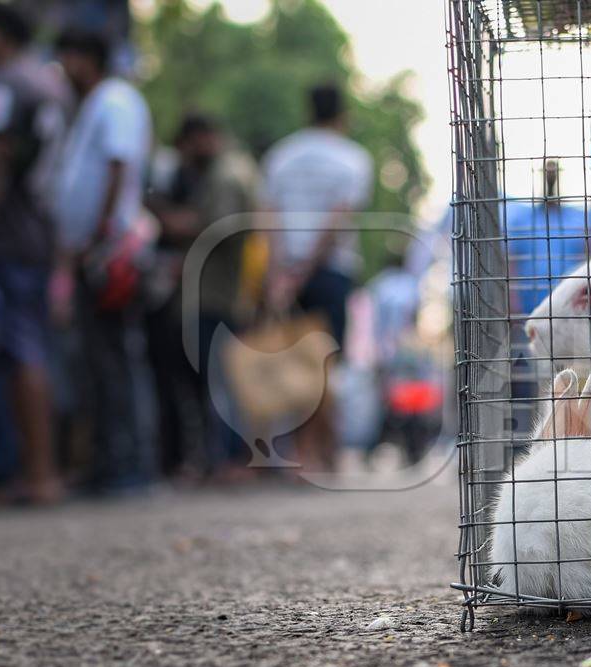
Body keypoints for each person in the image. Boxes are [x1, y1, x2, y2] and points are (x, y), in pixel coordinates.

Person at [51, 29, 156, 494]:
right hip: (95, 251)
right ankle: (108, 462)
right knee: (96, 361)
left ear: (84, 58)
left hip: (110, 251)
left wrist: (98, 235)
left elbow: (118, 164)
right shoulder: (94, 104)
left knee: (115, 359)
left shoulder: (114, 99)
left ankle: (129, 465)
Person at [261, 81, 373, 472]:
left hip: (287, 271)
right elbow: (338, 221)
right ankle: (318, 452)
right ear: (342, 114)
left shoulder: (281, 156)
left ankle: (311, 452)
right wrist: (306, 269)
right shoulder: (352, 159)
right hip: (330, 271)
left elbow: (270, 220)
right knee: (325, 364)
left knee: (295, 361)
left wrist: (280, 277)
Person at [147, 113, 260, 480]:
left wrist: (174, 224)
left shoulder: (226, 173)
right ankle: (226, 459)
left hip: (212, 294)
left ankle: (229, 461)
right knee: (221, 379)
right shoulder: (236, 168)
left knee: (218, 381)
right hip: (222, 293)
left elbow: (219, 228)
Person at [0, 4, 67, 503]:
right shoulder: (48, 85)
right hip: (39, 232)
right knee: (27, 348)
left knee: (20, 351)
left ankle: (38, 474)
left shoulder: (7, 86)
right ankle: (36, 471)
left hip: (9, 235)